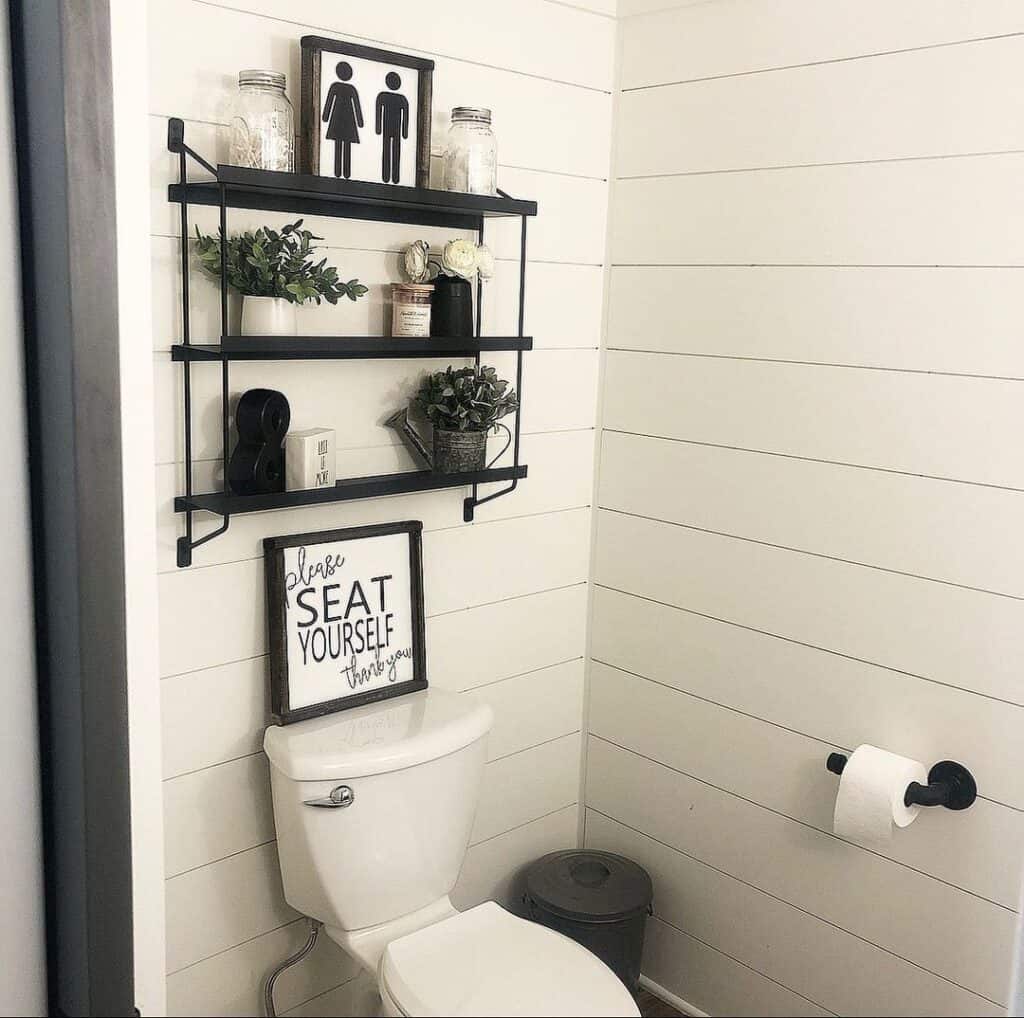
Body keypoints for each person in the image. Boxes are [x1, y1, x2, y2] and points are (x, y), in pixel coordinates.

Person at [321, 61, 363, 179]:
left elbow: (330, 102)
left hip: (338, 118)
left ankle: (340, 172)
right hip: (346, 119)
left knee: (340, 144)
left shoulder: (337, 86)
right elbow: (356, 106)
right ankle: (343, 173)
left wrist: (325, 116)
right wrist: (359, 122)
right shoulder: (350, 89)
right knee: (343, 145)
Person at [375, 71, 409, 184]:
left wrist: (405, 131)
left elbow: (406, 115)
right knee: (391, 150)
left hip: (392, 129)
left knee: (391, 150)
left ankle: (393, 177)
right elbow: (378, 111)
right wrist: (378, 128)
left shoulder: (385, 96)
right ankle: (389, 177)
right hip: (393, 129)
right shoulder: (399, 98)